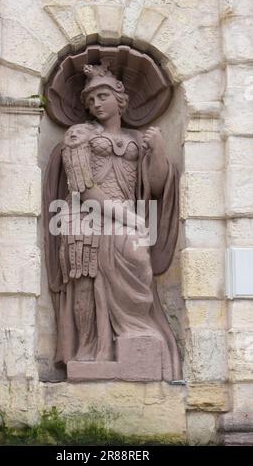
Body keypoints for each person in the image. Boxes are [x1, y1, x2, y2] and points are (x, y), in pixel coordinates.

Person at [44, 61, 181, 380]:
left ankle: (134, 331)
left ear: (121, 99)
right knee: (85, 281)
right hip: (84, 215)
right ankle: (89, 351)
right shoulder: (78, 135)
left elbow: (158, 186)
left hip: (127, 217)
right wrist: (127, 216)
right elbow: (83, 189)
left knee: (136, 253)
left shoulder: (137, 137)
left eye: (102, 95)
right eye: (90, 99)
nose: (96, 103)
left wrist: (158, 148)